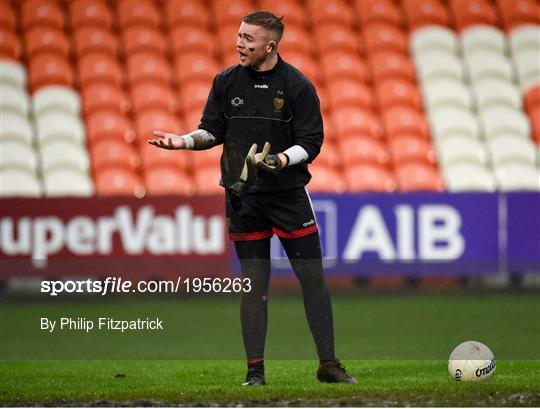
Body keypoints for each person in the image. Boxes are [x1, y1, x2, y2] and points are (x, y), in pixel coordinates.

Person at [149, 11, 356, 386]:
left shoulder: (297, 86)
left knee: (313, 282)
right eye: (239, 35)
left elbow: (311, 143)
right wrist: (182, 141)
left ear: (270, 46)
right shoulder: (226, 82)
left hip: (288, 197)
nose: (239, 43)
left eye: (248, 39)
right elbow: (211, 130)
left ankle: (328, 364)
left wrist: (278, 160)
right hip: (243, 198)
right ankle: (254, 373)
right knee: (254, 287)